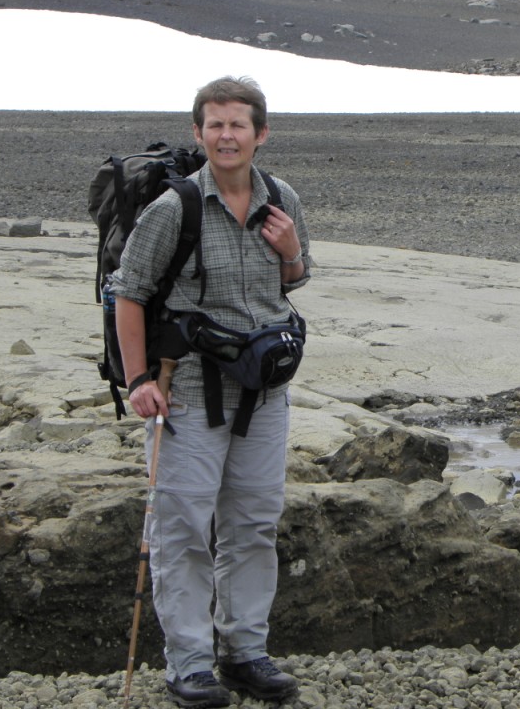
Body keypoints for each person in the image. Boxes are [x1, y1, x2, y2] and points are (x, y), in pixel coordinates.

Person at [111, 76, 310, 708]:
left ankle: (245, 653)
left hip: (265, 396)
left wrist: (292, 252)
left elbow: (293, 281)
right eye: (216, 125)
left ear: (261, 134)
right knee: (184, 532)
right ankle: (190, 665)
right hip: (189, 394)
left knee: (253, 526)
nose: (227, 136)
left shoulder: (282, 199)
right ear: (198, 133)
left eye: (238, 125)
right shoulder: (175, 209)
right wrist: (138, 380)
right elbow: (129, 293)